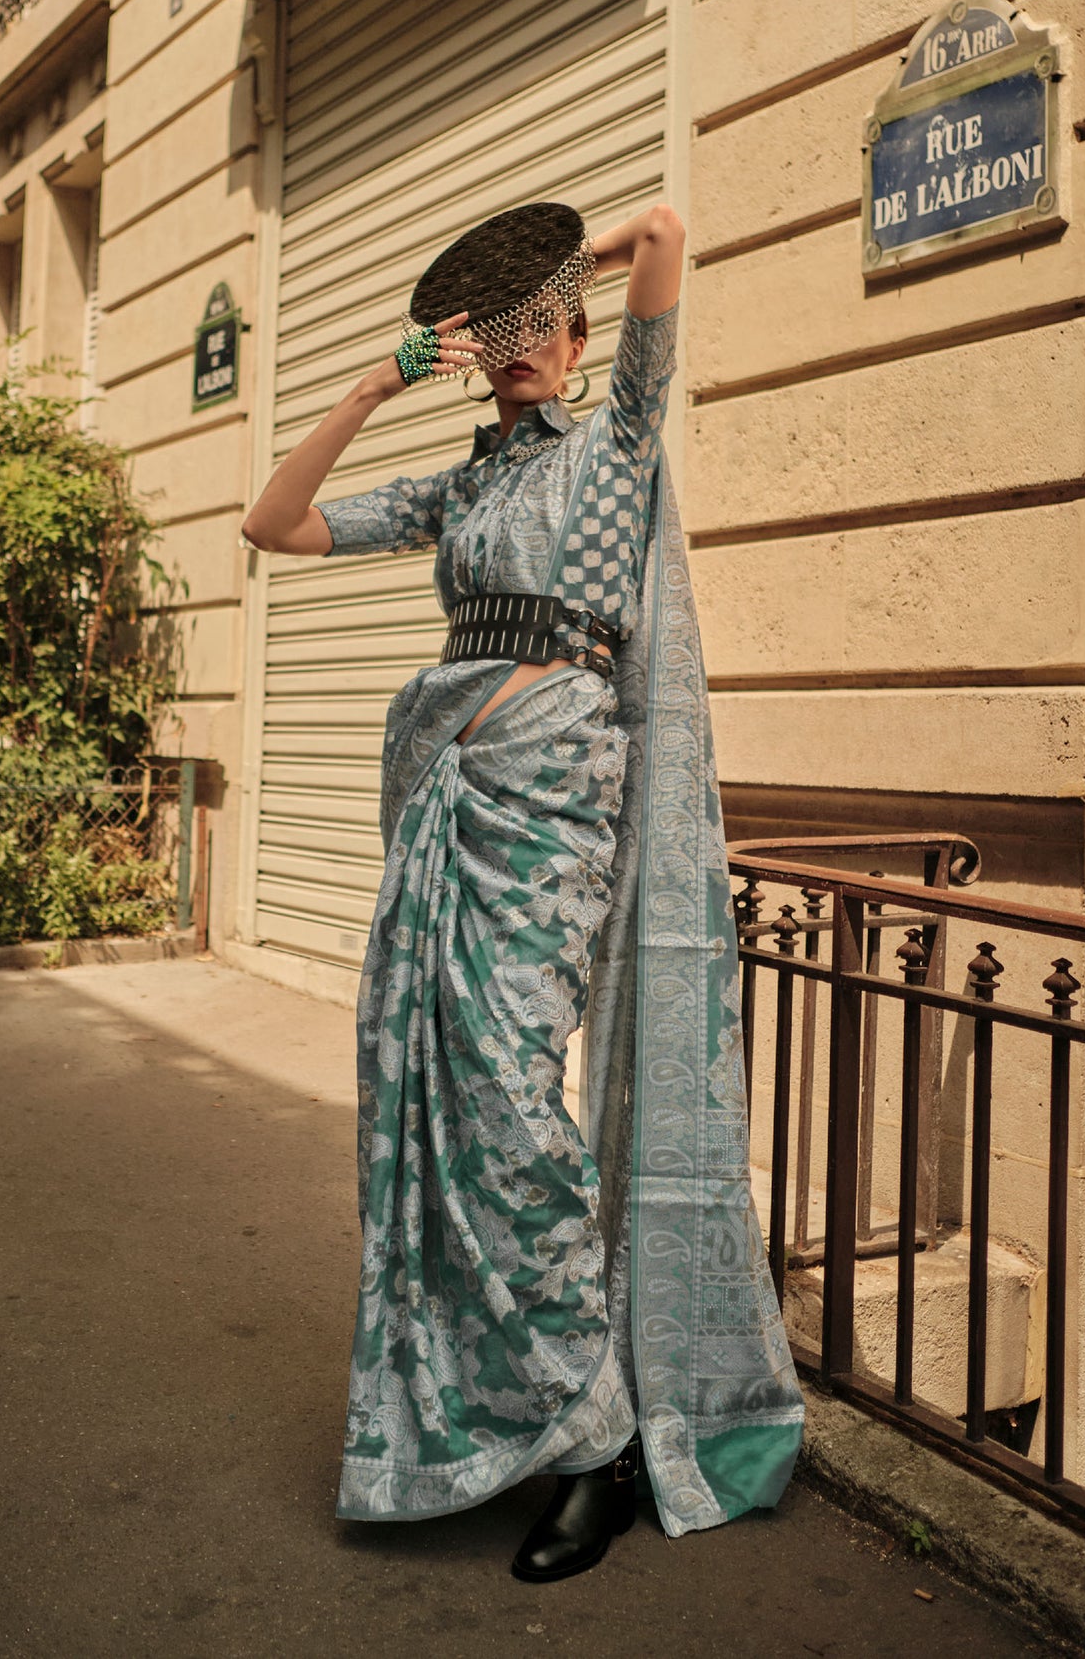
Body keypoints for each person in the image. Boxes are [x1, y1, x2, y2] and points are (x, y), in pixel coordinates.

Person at [241, 201, 803, 1582]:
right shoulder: (459, 486)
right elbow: (276, 522)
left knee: (505, 1100)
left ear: (572, 332)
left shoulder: (615, 440)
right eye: (496, 336)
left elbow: (671, 231)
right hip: (446, 783)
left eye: (538, 326)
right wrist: (378, 380)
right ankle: (534, 1417)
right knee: (432, 1091)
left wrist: (559, 262)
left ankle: (604, 1440)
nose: (519, 351)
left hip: (558, 792)